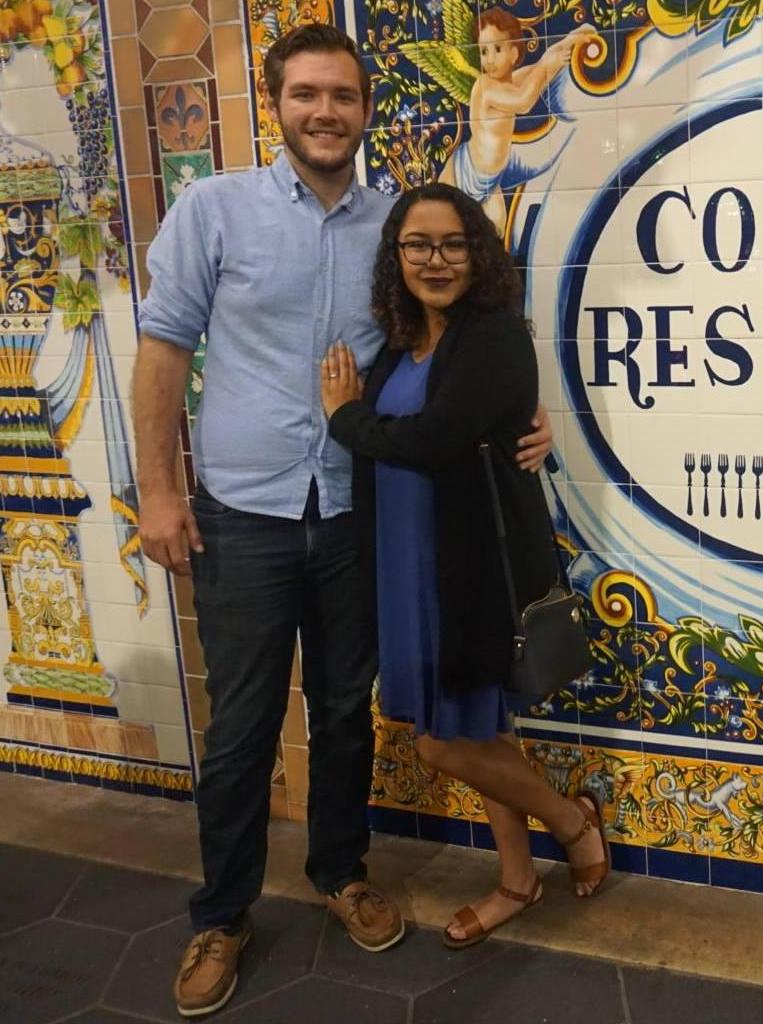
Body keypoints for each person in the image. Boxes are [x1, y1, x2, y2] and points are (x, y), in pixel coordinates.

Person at [131, 26, 552, 1019]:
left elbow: (452, 339)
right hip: (245, 514)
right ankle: (221, 916)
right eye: (306, 94)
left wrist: (518, 421)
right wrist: (158, 491)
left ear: (366, 110)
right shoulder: (213, 209)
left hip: (357, 514)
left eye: (343, 96)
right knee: (241, 728)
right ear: (276, 103)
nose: (326, 112)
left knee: (340, 715)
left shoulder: (392, 225)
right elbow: (162, 352)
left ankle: (340, 872)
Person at [320, 182, 610, 950]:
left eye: (453, 244)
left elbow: (433, 440)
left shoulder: (495, 336)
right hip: (405, 567)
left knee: (442, 741)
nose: (436, 260)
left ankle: (571, 823)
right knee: (480, 732)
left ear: (478, 254)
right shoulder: (399, 343)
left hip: (465, 571)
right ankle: (518, 880)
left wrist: (346, 418)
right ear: (397, 256)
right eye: (418, 245)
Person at [438, 7, 598, 234]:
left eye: (497, 49)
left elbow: (541, 69)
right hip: (462, 173)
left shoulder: (510, 81)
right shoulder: (485, 86)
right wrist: (546, 66)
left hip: (489, 182)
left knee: (495, 237)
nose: (489, 59)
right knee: (444, 226)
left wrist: (571, 40)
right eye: (484, 51)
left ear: (514, 54)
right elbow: (524, 101)